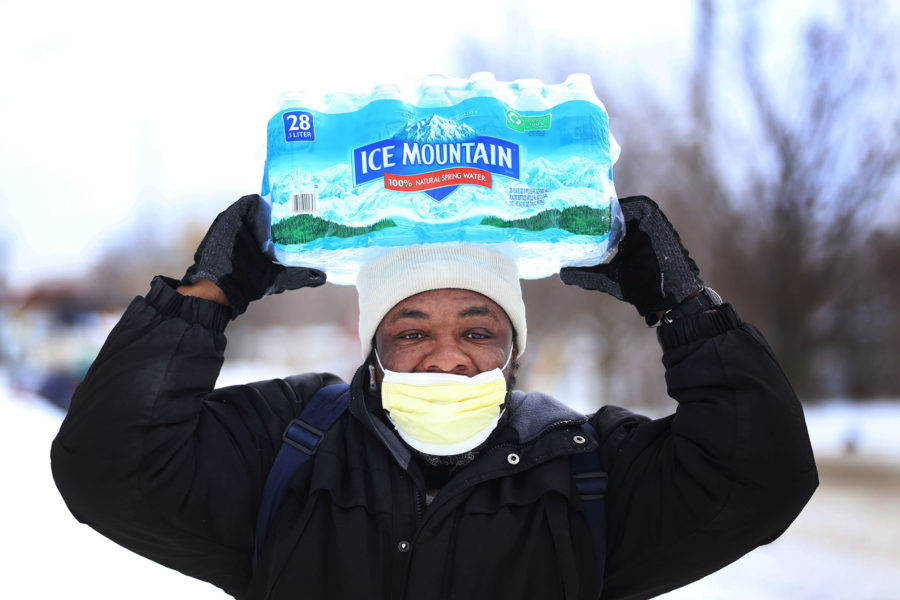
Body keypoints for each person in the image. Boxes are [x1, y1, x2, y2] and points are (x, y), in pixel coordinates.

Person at [51, 194, 818, 600]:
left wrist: (685, 312)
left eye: (479, 329)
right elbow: (109, 466)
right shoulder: (289, 446)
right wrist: (204, 300)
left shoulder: (587, 469)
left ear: (512, 348)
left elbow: (759, 478)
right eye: (412, 330)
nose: (447, 355)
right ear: (375, 349)